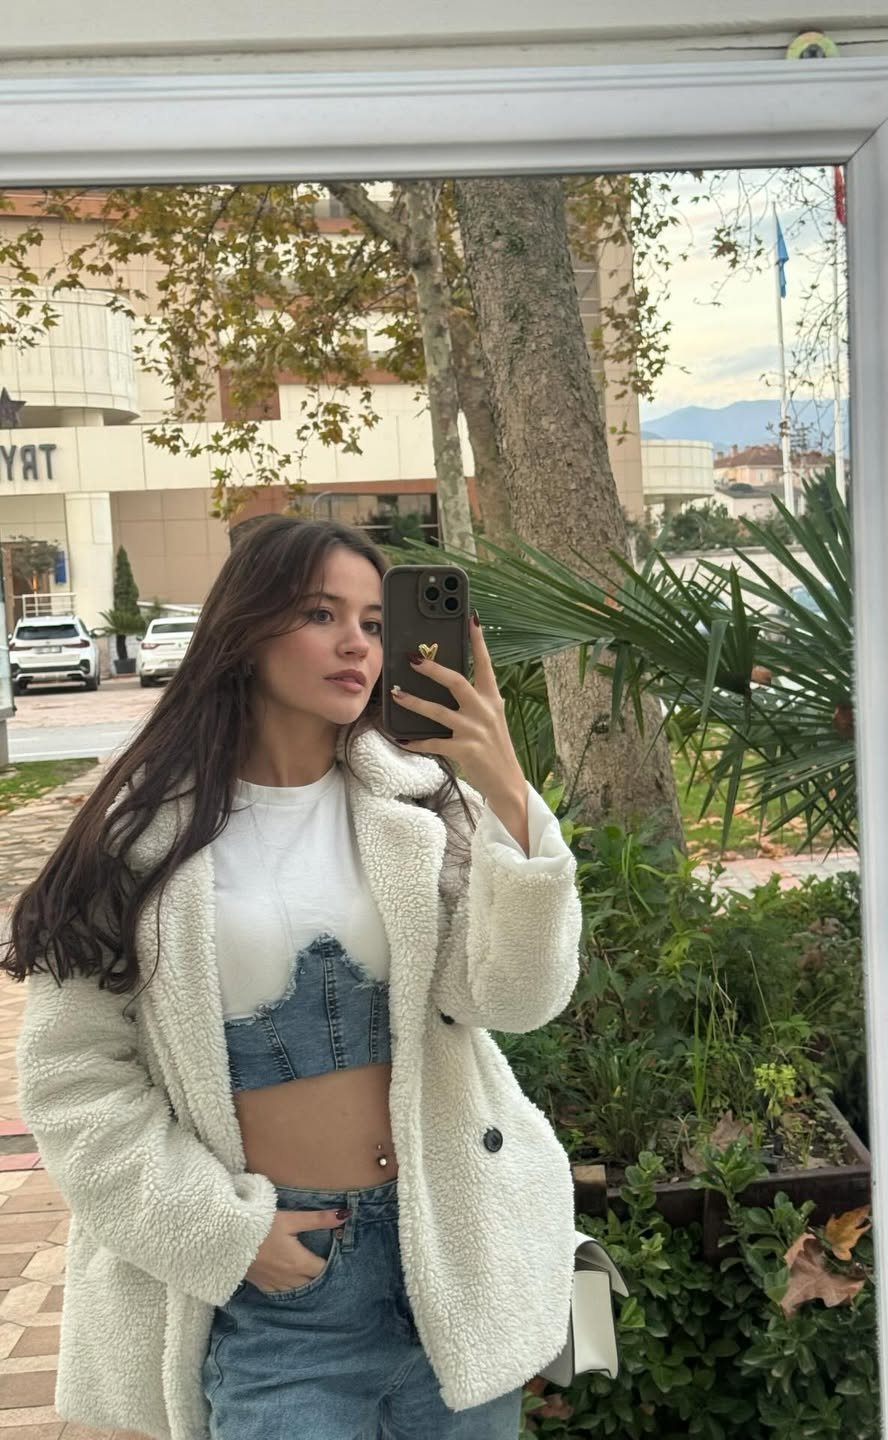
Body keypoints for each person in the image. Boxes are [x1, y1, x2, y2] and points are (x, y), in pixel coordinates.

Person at [6, 516, 583, 1440]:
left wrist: (506, 789)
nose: (358, 643)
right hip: (284, 1283)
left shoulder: (421, 810)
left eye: (373, 621)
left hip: (448, 1253)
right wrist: (229, 1237)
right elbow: (75, 1081)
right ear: (246, 629)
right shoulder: (138, 839)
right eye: (322, 614)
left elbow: (516, 1000)